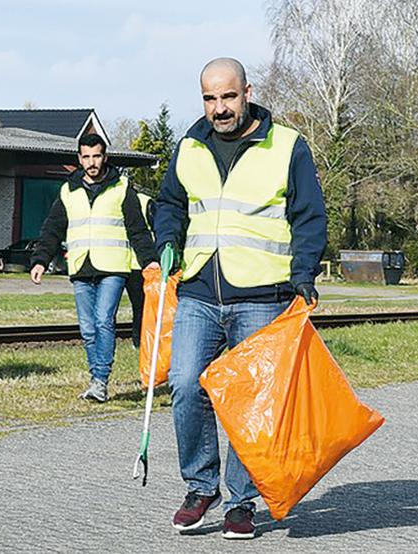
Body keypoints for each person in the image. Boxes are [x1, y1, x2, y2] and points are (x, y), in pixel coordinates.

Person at [153, 58, 327, 540]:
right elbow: (169, 203)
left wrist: (304, 274)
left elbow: (309, 216)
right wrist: (166, 238)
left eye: (228, 97)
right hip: (199, 290)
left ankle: (242, 502)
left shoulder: (287, 145)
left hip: (262, 294)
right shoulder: (188, 146)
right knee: (186, 384)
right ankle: (200, 486)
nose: (219, 108)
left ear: (247, 92)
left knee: (251, 404)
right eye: (210, 98)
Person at [30, 134, 157, 402]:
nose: (92, 162)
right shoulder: (68, 190)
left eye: (96, 156)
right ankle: (95, 379)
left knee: (103, 320)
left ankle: (100, 381)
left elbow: (138, 229)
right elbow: (52, 228)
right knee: (87, 328)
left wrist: (150, 261)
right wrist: (40, 260)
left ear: (105, 157)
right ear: (79, 159)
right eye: (86, 157)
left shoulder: (121, 188)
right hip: (80, 267)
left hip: (113, 267)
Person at [126, 190, 155, 348]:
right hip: (137, 264)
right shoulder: (146, 201)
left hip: (128, 262)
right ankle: (139, 341)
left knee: (139, 306)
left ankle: (138, 340)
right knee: (140, 306)